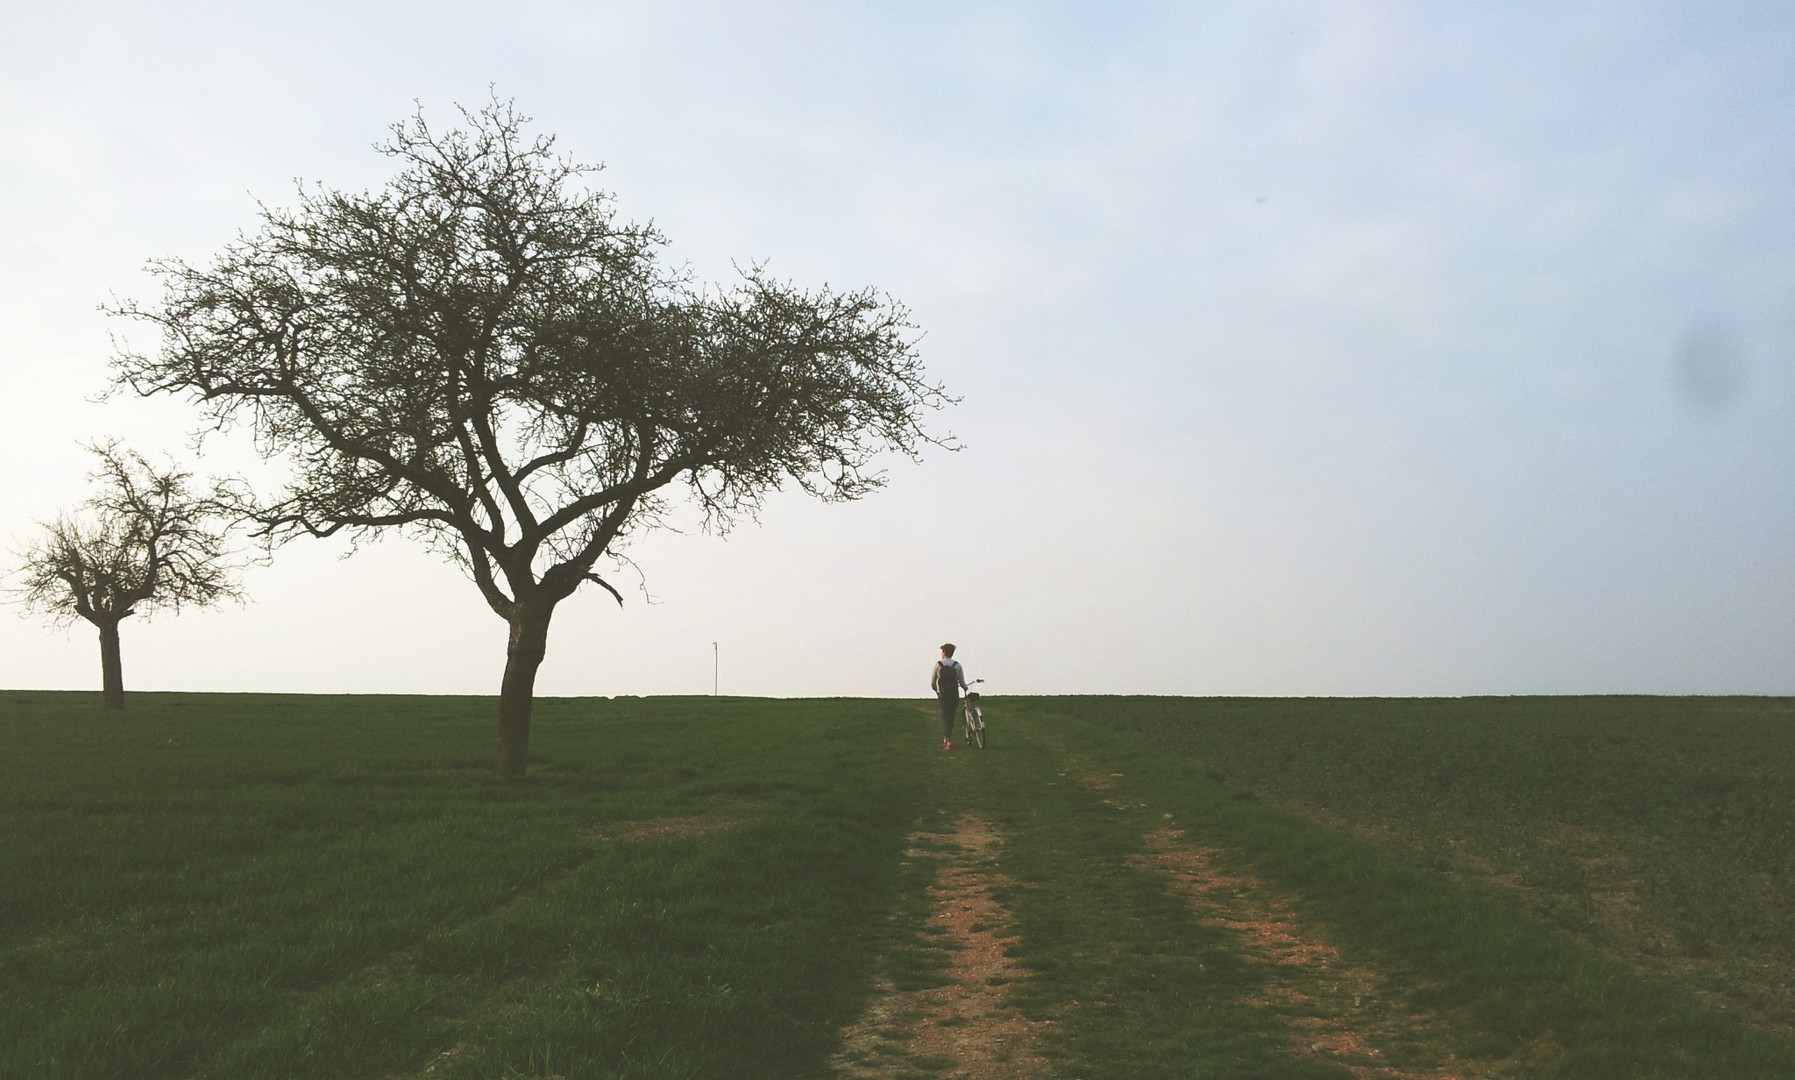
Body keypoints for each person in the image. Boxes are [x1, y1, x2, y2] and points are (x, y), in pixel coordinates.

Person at [931, 642, 969, 750]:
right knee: (950, 717)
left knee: (945, 716)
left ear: (943, 652)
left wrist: (937, 691)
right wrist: (965, 688)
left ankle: (947, 740)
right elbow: (961, 682)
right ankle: (947, 738)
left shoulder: (938, 665)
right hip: (953, 694)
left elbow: (933, 683)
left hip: (943, 694)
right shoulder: (957, 665)